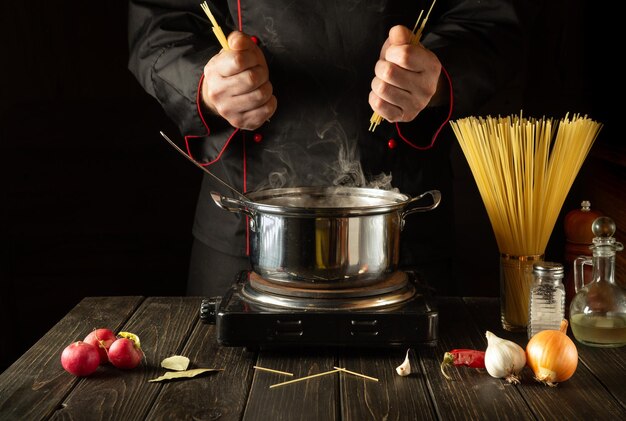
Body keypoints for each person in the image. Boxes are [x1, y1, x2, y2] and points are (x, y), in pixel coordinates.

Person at [128, 0, 531, 297]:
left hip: (401, 230)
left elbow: (490, 18)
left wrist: (436, 75)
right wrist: (206, 84)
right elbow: (158, 23)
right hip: (242, 233)